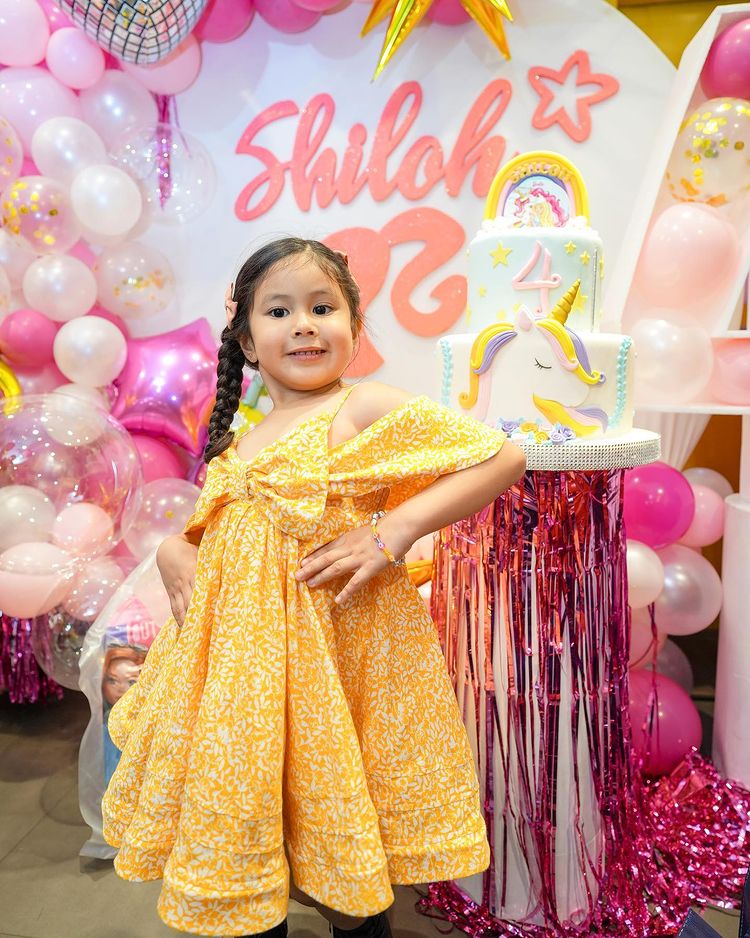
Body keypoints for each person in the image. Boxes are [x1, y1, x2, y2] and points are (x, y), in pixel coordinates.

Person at [101, 237, 526, 938]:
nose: (304, 323)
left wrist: (394, 530)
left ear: (354, 329)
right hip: (248, 682)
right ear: (246, 338)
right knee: (251, 835)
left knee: (341, 866)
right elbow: (224, 536)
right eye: (280, 310)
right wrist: (177, 548)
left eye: (322, 307)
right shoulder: (243, 441)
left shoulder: (359, 408)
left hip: (325, 669)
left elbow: (501, 456)